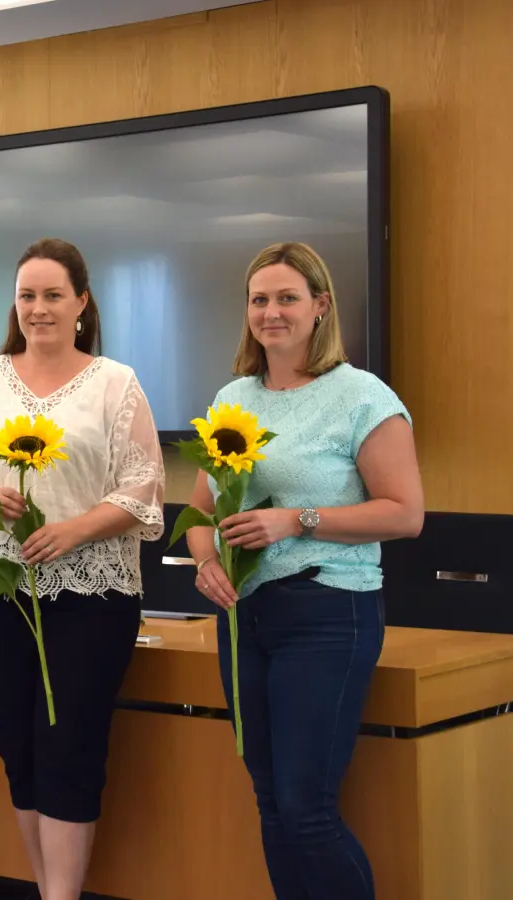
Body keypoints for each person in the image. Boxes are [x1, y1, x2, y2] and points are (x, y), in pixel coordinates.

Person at [0, 238, 164, 900]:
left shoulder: (116, 383)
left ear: (81, 302)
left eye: (53, 295)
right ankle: (48, 890)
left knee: (69, 750)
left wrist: (73, 531)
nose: (39, 308)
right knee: (18, 751)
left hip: (93, 595)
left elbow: (142, 489)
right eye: (27, 295)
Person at [184, 242, 422, 900]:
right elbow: (199, 511)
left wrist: (297, 520)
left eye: (287, 297)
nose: (271, 312)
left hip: (328, 612)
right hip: (245, 617)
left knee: (307, 810)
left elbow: (405, 514)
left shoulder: (362, 395)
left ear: (320, 307)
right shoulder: (234, 398)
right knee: (271, 805)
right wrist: (205, 559)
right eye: (259, 299)